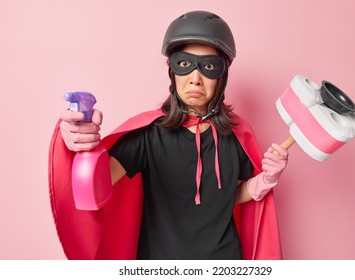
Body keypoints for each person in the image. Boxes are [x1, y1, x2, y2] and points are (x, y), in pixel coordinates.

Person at [49, 10, 288, 260]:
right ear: (172, 72)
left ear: (222, 77)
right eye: (184, 64)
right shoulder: (149, 134)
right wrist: (80, 144)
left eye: (208, 67)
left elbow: (233, 194)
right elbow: (94, 185)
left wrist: (266, 180)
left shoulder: (238, 134)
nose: (195, 79)